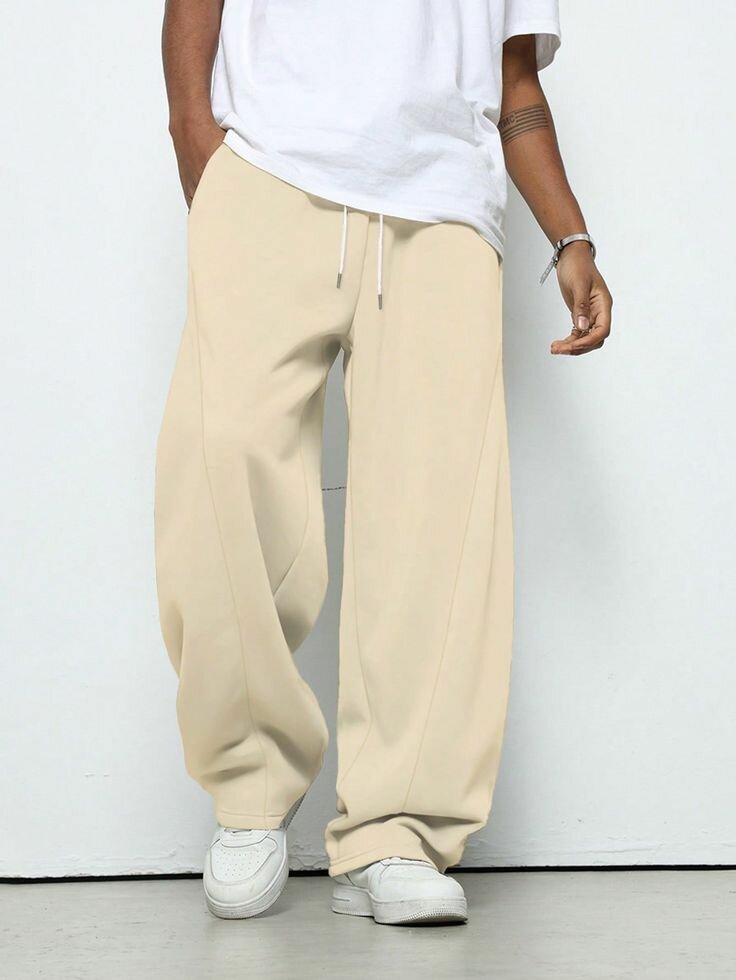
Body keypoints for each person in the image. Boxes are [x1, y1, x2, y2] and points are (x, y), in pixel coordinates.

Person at [155, 0, 613, 926]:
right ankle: (249, 794)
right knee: (221, 471)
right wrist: (196, 138)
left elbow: (514, 80)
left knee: (434, 526)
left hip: (445, 208)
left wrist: (571, 236)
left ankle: (396, 830)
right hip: (272, 170)